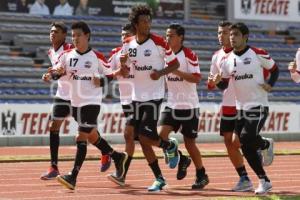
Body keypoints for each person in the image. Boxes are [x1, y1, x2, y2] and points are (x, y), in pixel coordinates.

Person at [107, 5, 180, 192]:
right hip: (136, 97)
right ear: (135, 24)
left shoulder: (159, 43)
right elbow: (127, 64)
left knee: (146, 138)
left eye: (149, 21)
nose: (147, 24)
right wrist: (123, 64)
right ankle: (167, 152)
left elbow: (175, 64)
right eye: (143, 21)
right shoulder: (128, 43)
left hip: (154, 96)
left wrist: (160, 73)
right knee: (129, 134)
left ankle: (164, 160)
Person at [51, 21, 128, 190]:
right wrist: (52, 74)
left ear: (87, 36)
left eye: (78, 35)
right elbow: (58, 71)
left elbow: (110, 75)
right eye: (73, 36)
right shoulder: (67, 56)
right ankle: (117, 156)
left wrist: (101, 80)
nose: (75, 38)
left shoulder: (97, 57)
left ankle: (73, 177)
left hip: (92, 103)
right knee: (93, 136)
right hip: (75, 104)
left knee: (81, 137)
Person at [218, 22, 279, 195]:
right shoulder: (227, 60)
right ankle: (264, 179)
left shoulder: (258, 54)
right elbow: (224, 85)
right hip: (241, 109)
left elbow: (275, 70)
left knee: (245, 137)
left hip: (258, 105)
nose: (232, 37)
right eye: (231, 34)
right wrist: (217, 82)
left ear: (245, 37)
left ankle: (264, 146)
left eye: (236, 34)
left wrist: (270, 84)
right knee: (243, 145)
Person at [159, 23, 209, 189]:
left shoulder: (189, 55)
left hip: (189, 106)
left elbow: (196, 78)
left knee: (190, 143)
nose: (167, 38)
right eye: (166, 35)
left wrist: (175, 71)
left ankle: (201, 174)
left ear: (180, 37)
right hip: (172, 104)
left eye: (171, 35)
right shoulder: (163, 54)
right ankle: (182, 159)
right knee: (160, 136)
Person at [207, 21, 253, 192]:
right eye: (219, 33)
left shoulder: (243, 53)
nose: (222, 36)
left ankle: (262, 144)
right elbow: (215, 85)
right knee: (228, 141)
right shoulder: (216, 56)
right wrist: (213, 82)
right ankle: (244, 178)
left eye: (226, 32)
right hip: (227, 103)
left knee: (242, 141)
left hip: (244, 103)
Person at [40, 21, 74, 180]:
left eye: (56, 32)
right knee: (53, 127)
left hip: (77, 95)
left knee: (88, 134)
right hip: (62, 95)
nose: (52, 33)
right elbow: (57, 72)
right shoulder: (50, 52)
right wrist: (49, 75)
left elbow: (65, 69)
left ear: (64, 35)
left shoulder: (69, 49)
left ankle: (110, 154)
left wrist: (55, 73)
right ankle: (54, 167)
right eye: (51, 31)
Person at [104, 24, 135, 183]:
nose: (124, 37)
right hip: (125, 101)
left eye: (127, 34)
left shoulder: (142, 52)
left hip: (141, 100)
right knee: (144, 139)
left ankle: (122, 175)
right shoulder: (116, 53)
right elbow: (107, 73)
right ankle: (174, 152)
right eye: (122, 35)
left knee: (128, 134)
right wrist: (119, 70)